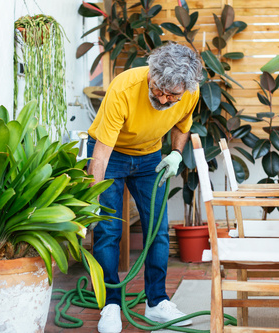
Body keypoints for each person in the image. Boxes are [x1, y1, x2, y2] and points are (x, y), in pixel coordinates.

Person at [87, 42, 203, 333]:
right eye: (159, 89)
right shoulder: (124, 88)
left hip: (149, 156)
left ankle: (156, 302)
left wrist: (176, 153)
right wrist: (90, 196)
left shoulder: (188, 92)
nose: (164, 99)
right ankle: (110, 305)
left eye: (172, 94)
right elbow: (101, 153)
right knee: (108, 229)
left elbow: (182, 125)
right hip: (112, 155)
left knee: (157, 230)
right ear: (151, 75)